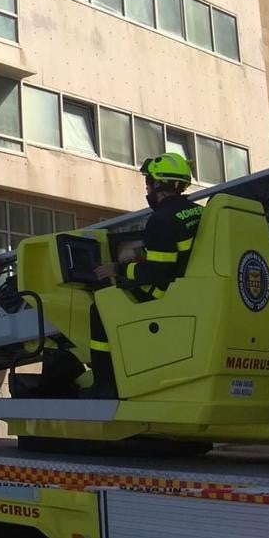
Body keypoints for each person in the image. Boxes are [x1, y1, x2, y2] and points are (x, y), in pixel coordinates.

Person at [88, 152, 202, 398]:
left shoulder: (161, 219)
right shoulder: (196, 212)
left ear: (159, 185)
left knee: (101, 307)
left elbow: (156, 272)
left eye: (148, 183)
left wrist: (117, 270)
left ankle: (105, 385)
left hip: (165, 293)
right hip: (190, 289)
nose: (147, 189)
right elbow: (172, 252)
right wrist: (138, 256)